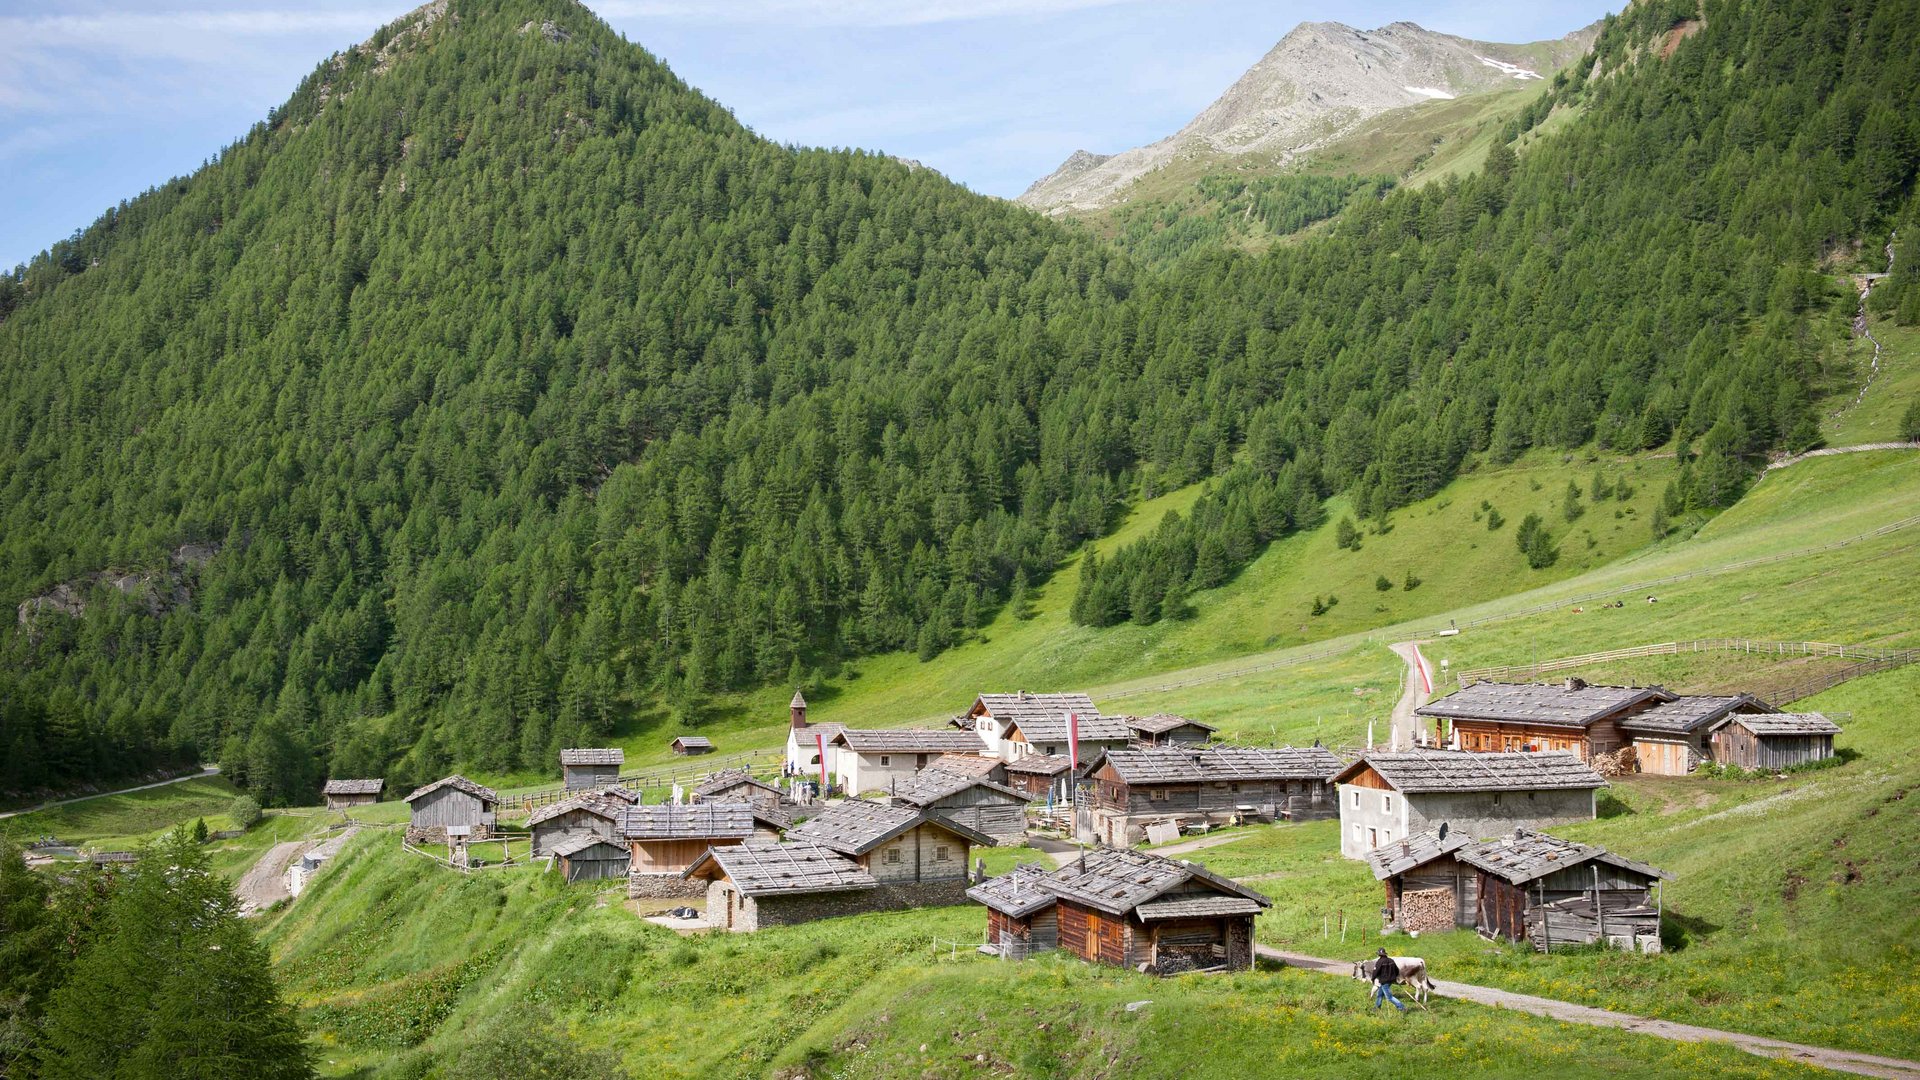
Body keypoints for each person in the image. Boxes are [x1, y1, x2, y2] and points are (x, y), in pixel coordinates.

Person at [1370, 948, 1406, 1013]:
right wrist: (1394, 977)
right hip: (1391, 980)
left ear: (1379, 955)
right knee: (1380, 994)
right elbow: (1397, 970)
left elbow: (1375, 972)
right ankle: (1376, 1008)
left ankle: (1402, 1007)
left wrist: (1373, 979)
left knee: (1389, 997)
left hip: (1384, 981)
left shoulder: (1379, 962)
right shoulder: (1391, 960)